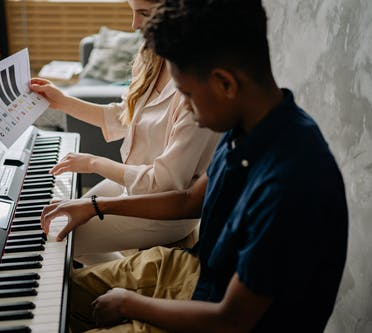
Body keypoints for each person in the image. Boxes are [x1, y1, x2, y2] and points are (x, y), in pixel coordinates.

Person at [40, 0, 349, 332]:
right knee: (58, 296)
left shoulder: (291, 185)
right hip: (196, 273)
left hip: (216, 316)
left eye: (186, 94)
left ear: (224, 84)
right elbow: (189, 199)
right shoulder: (249, 126)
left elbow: (230, 321)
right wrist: (95, 205)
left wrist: (131, 304)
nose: (186, 109)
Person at [30, 0, 220, 264]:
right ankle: (118, 277)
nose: (134, 25)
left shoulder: (194, 91)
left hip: (164, 209)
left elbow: (163, 185)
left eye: (144, 13)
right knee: (63, 221)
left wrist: (95, 163)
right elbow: (125, 115)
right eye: (131, 12)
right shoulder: (151, 55)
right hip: (132, 185)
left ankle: (120, 288)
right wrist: (62, 100)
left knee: (64, 237)